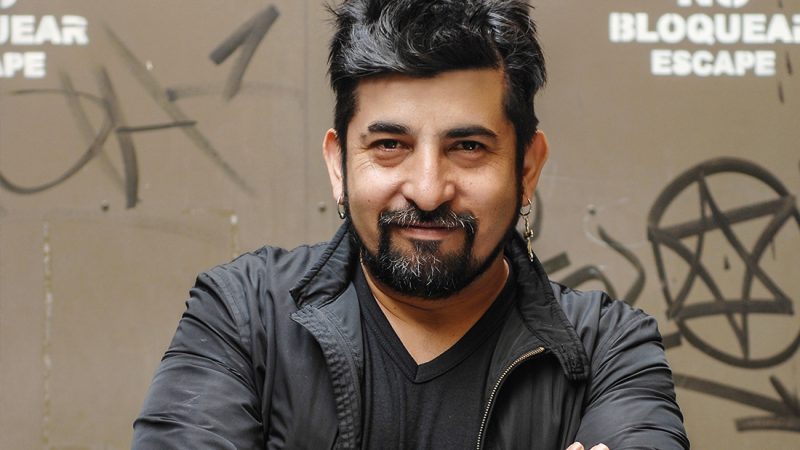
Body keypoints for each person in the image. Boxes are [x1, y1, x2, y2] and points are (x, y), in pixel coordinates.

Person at [132, 0, 689, 449]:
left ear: (527, 168)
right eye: (390, 145)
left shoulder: (609, 349)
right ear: (338, 165)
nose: (427, 190)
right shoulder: (245, 315)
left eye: (468, 147)